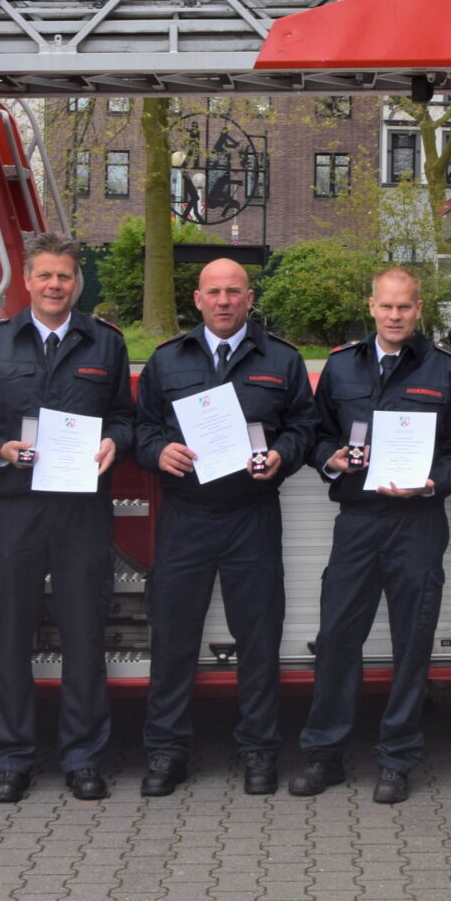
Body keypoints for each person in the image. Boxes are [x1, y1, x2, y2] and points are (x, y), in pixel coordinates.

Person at [0, 233, 134, 802]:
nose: (56, 285)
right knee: (11, 634)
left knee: (84, 634)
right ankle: (11, 759)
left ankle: (83, 758)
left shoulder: (105, 344)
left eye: (66, 276)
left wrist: (114, 444)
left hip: (81, 510)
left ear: (78, 282)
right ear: (27, 282)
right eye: (45, 276)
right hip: (14, 508)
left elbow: (126, 418)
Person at [292, 267, 451, 804]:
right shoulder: (340, 366)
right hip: (357, 522)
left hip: (417, 524)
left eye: (405, 307)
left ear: (418, 309)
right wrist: (327, 458)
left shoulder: (447, 370)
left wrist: (433, 482)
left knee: (412, 642)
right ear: (371, 306)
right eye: (386, 306)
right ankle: (325, 754)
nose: (395, 315)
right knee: (336, 640)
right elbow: (316, 431)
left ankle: (397, 759)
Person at [132, 257, 316, 797]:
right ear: (197, 299)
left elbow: (305, 426)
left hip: (251, 516)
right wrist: (157, 451)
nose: (224, 301)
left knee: (257, 639)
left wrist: (283, 454)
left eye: (234, 291)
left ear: (249, 297)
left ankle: (258, 750)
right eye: (213, 291)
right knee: (173, 637)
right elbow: (140, 428)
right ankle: (166, 751)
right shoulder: (167, 360)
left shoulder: (281, 360)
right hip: (185, 517)